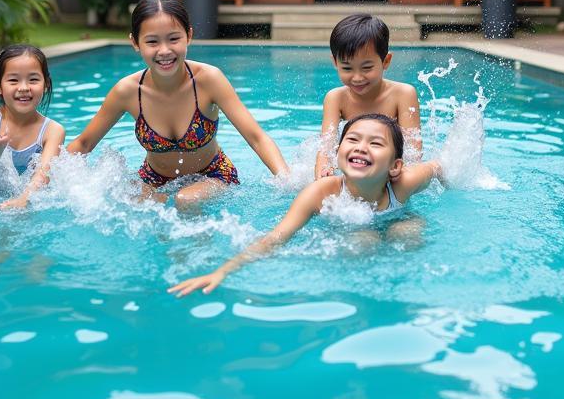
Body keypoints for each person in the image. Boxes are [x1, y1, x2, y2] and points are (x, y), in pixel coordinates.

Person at [169, 113, 444, 296]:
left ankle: (404, 289)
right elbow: (276, 237)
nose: (361, 147)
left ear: (395, 166)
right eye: (352, 140)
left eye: (375, 143)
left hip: (400, 217)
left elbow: (437, 167)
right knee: (362, 240)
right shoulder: (321, 194)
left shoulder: (403, 182)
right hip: (355, 228)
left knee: (406, 233)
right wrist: (223, 271)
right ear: (337, 154)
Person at [67, 0, 289, 209]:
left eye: (174, 39)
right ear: (135, 43)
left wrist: (286, 180)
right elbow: (83, 144)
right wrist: (48, 181)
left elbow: (256, 137)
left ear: (189, 36)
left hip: (213, 174)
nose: (164, 51)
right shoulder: (127, 91)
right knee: (124, 191)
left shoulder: (209, 80)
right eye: (152, 41)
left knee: (186, 199)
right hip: (153, 179)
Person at [0, 44, 65, 210]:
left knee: (15, 219)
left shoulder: (52, 131)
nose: (23, 88)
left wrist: (25, 198)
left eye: (33, 80)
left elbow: (43, 174)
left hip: (17, 193)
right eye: (13, 80)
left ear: (45, 84)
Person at [314, 13, 421, 178]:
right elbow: (326, 148)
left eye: (367, 68)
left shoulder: (403, 94)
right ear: (335, 63)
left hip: (389, 168)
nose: (357, 78)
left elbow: (413, 152)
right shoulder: (336, 98)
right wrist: (323, 174)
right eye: (347, 69)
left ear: (386, 61)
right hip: (359, 165)